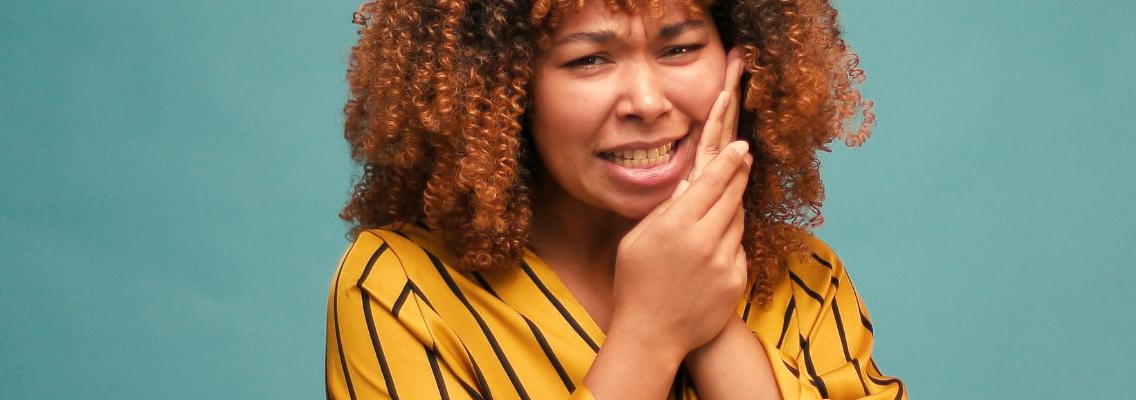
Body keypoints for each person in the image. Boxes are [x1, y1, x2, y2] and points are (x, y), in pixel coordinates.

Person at [326, 0, 902, 398]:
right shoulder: (402, 289)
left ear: (740, 59)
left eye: (679, 48)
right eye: (589, 59)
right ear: (498, 88)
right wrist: (651, 334)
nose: (647, 102)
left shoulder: (804, 278)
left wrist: (712, 327)